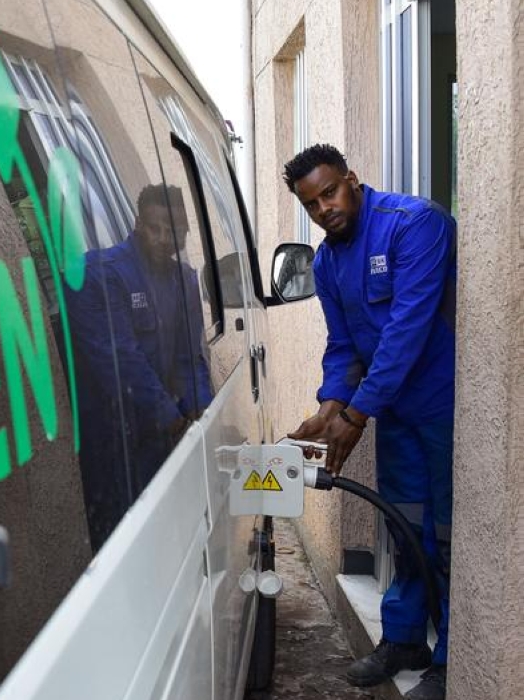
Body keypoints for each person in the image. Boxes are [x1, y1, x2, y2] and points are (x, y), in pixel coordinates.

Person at [283, 144, 456, 700]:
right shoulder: (327, 261)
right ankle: (405, 639)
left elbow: (408, 330)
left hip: (441, 409)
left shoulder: (415, 224)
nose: (324, 209)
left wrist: (355, 415)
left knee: (449, 535)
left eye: (329, 192)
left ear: (352, 180)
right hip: (393, 414)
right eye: (311, 204)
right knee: (404, 529)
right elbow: (344, 346)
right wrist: (330, 405)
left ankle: (452, 658)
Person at [67, 184, 213, 549]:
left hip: (164, 437)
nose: (166, 239)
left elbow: (188, 356)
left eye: (176, 232)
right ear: (137, 224)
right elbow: (119, 358)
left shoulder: (186, 280)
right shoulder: (99, 274)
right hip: (111, 443)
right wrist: (174, 418)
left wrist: (202, 413)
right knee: (120, 545)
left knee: (167, 541)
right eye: (156, 228)